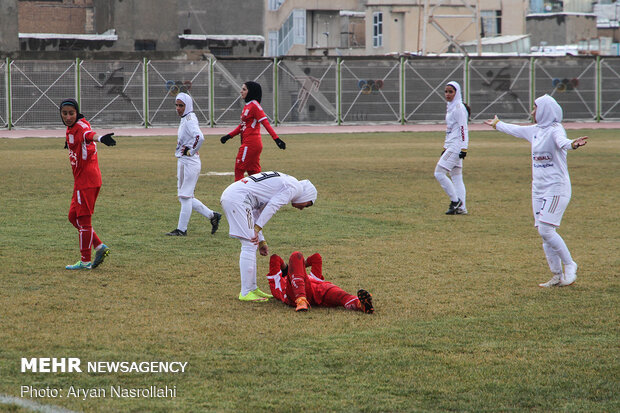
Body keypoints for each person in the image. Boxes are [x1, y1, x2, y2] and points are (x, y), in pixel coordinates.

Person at [484, 94, 588, 287]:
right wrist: (498, 124)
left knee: (546, 230)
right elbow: (516, 130)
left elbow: (563, 142)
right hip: (538, 189)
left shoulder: (555, 129)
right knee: (544, 233)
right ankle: (557, 276)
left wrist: (573, 144)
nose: (532, 111)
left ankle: (570, 264)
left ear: (545, 110)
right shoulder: (536, 130)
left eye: (535, 107)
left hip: (557, 188)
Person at [220, 171, 317, 301]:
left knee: (252, 243)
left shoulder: (289, 182)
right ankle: (246, 292)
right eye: (307, 204)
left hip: (236, 195)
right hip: (239, 199)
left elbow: (257, 212)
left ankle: (252, 289)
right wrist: (257, 228)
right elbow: (273, 206)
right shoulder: (295, 188)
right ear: (306, 195)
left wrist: (261, 241)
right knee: (249, 244)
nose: (302, 208)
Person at [60, 98, 116, 270]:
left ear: (77, 113)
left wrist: (100, 138)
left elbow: (88, 135)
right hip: (80, 181)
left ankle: (85, 261)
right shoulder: (70, 129)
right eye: (65, 113)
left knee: (84, 220)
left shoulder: (82, 127)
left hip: (87, 181)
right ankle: (99, 246)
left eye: (71, 113)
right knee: (72, 217)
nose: (68, 117)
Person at [166, 92, 221, 236]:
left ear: (188, 105)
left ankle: (181, 230)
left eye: (181, 105)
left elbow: (200, 137)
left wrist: (192, 150)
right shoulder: (186, 118)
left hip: (190, 162)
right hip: (184, 161)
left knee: (185, 197)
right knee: (185, 196)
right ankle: (212, 216)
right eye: (177, 105)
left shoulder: (189, 119)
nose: (178, 108)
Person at [266, 251, 374, 314]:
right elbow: (275, 259)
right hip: (294, 295)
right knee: (296, 255)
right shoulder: (277, 282)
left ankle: (360, 305)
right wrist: (290, 269)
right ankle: (301, 300)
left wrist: (298, 266)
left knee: (342, 296)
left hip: (320, 290)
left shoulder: (311, 277)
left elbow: (316, 258)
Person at [220, 81, 286, 181]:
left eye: (244, 89)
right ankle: (260, 195)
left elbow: (266, 123)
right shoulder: (248, 106)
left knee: (239, 169)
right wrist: (229, 136)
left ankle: (237, 195)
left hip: (250, 144)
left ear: (251, 92)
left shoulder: (255, 106)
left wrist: (277, 139)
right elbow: (243, 126)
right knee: (254, 174)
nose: (241, 91)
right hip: (251, 144)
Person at [435, 81, 470, 215]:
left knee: (439, 173)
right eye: (446, 92)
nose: (448, 94)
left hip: (457, 146)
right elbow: (450, 129)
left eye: (451, 92)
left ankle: (455, 201)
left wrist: (464, 148)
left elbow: (463, 128)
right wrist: (445, 146)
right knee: (456, 177)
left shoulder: (459, 108)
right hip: (452, 144)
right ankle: (462, 208)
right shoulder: (451, 106)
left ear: (457, 93)